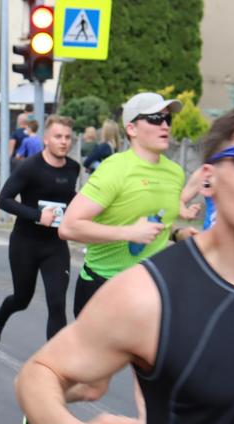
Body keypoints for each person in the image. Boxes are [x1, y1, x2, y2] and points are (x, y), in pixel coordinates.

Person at [16, 96, 234, 424]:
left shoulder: (174, 172)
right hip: (121, 283)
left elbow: (162, 223)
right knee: (94, 385)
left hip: (158, 276)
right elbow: (37, 373)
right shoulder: (143, 290)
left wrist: (177, 232)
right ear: (211, 179)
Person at [59, 92, 194, 318]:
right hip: (104, 287)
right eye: (155, 118)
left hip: (150, 287)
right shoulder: (115, 169)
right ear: (132, 129)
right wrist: (129, 233)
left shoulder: (175, 173)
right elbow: (69, 227)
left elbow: (153, 221)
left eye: (167, 119)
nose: (164, 125)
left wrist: (177, 234)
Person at [0, 115, 80, 349]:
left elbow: (69, 198)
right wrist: (38, 216)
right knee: (22, 299)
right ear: (46, 139)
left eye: (68, 137)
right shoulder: (29, 167)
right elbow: (4, 200)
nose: (64, 141)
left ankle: (55, 366)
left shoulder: (73, 168)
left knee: (57, 303)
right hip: (25, 244)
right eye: (58, 136)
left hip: (55, 245)